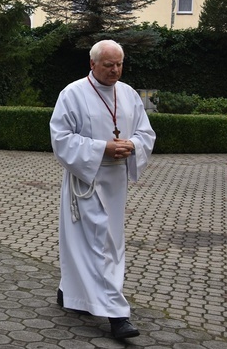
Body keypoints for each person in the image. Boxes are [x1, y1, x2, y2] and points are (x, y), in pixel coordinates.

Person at [50, 40, 155, 340]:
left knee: (102, 243)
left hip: (116, 183)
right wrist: (101, 149)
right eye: (109, 64)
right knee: (101, 246)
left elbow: (145, 132)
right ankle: (117, 315)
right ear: (92, 63)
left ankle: (70, 292)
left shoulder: (129, 94)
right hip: (86, 181)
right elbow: (60, 138)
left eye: (119, 64)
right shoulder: (72, 93)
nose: (115, 70)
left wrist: (132, 145)